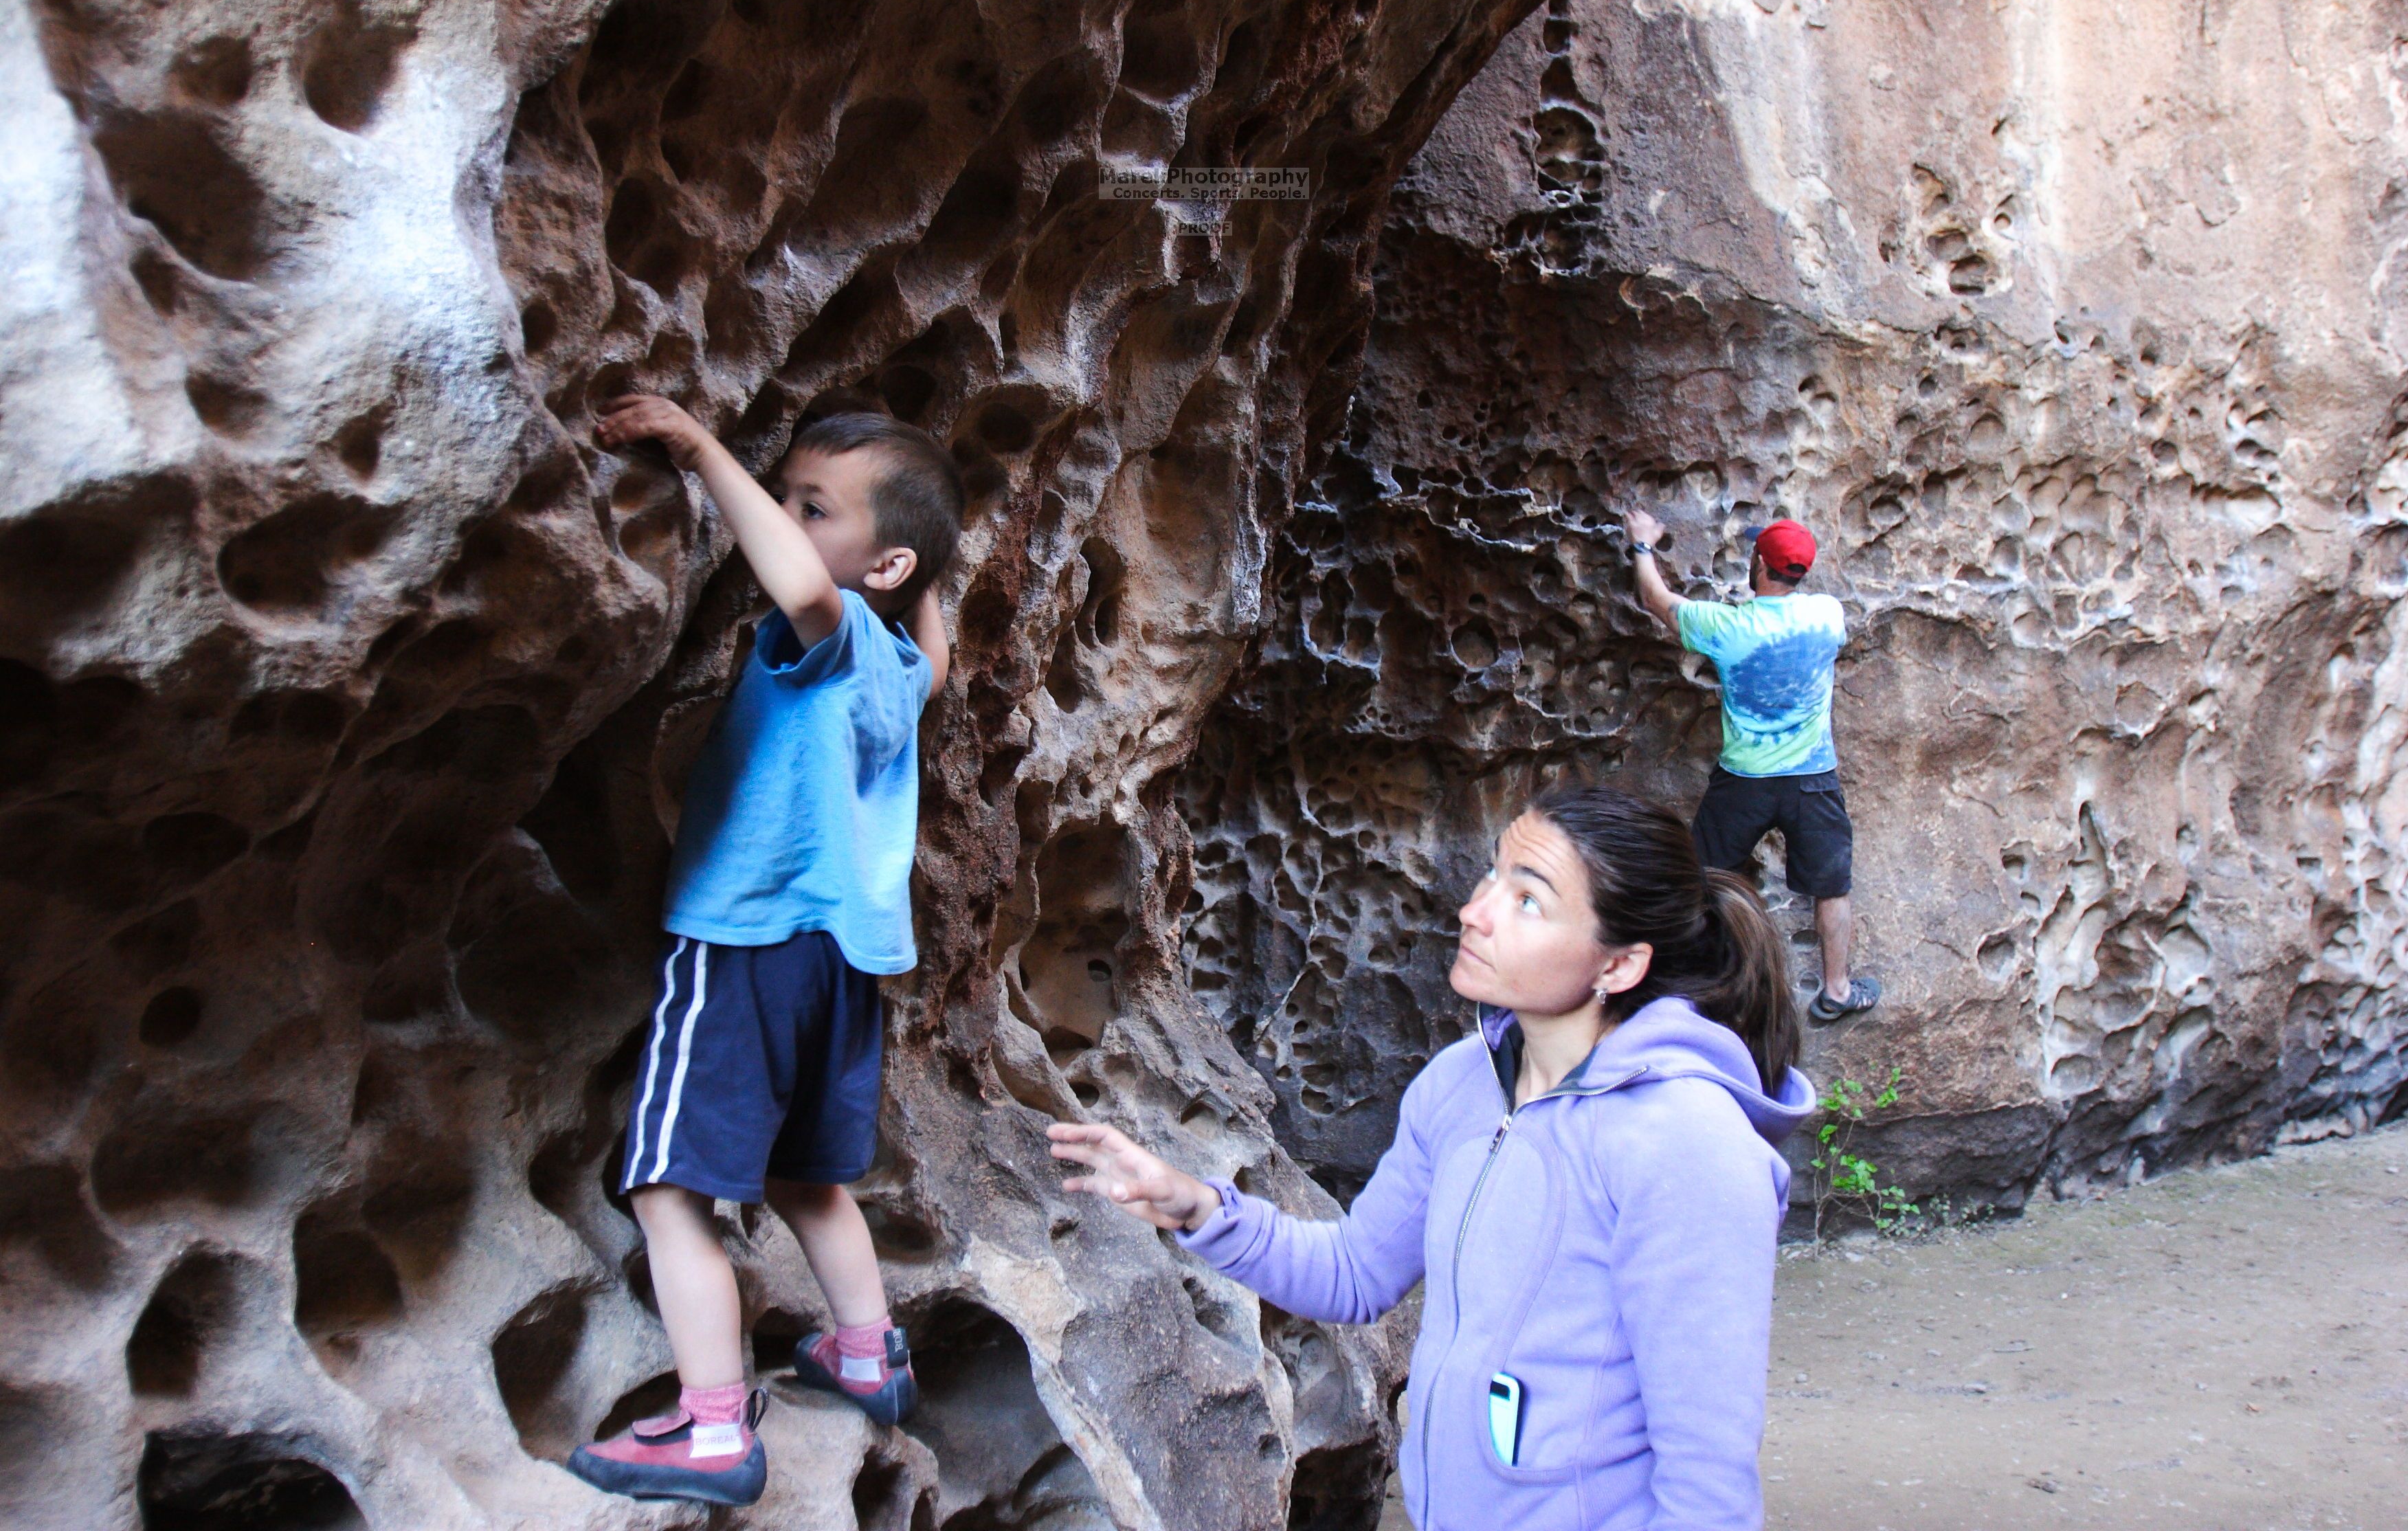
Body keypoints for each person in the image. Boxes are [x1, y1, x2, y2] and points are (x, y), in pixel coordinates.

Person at [1050, 782, 1813, 1531]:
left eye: (1528, 900)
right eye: (1493, 872)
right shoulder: (1461, 1083)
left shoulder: (1686, 1141)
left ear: (1619, 965)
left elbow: (1709, 1481)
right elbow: (1356, 1272)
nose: (1474, 911)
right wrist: (1199, 1207)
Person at [566, 399, 962, 1507]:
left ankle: (706, 1427)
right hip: (843, 960)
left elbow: (798, 584)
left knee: (666, 1184)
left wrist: (699, 453)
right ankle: (868, 1350)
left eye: (808, 505)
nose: (783, 516)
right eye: (783, 496)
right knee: (806, 1173)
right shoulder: (897, 665)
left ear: (870, 562)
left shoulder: (824, 625)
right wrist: (923, 579)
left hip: (746, 935)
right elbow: (938, 654)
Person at [1623, 506, 1880, 1022]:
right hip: (1812, 779)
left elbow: (1656, 600)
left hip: (1744, 782)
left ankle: (1684, 987)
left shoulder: (1726, 627)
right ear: (1802, 572)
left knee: (1700, 880)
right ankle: (1836, 991)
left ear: (1759, 564)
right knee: (1832, 885)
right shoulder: (1827, 616)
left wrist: (1642, 544)